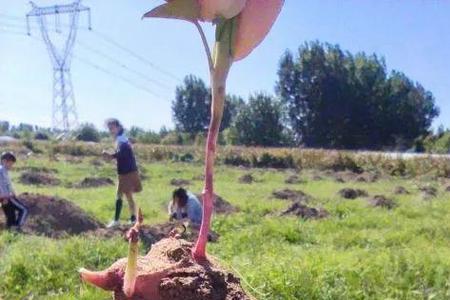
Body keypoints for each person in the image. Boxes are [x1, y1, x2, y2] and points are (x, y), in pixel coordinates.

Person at [103, 119, 142, 228]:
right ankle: (133, 219)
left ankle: (116, 220)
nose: (111, 130)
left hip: (126, 172)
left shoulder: (121, 139)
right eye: (109, 128)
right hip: (128, 170)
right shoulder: (121, 139)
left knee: (120, 194)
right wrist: (113, 156)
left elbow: (123, 153)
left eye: (112, 128)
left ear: (118, 127)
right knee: (128, 195)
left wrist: (111, 156)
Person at [0, 152, 28, 230]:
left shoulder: (4, 170)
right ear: (4, 161)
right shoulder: (1, 170)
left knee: (11, 215)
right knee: (24, 210)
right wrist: (4, 197)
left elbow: (7, 184)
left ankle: (11, 229)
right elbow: (2, 185)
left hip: (5, 197)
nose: (11, 166)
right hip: (7, 197)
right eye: (10, 163)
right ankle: (16, 227)